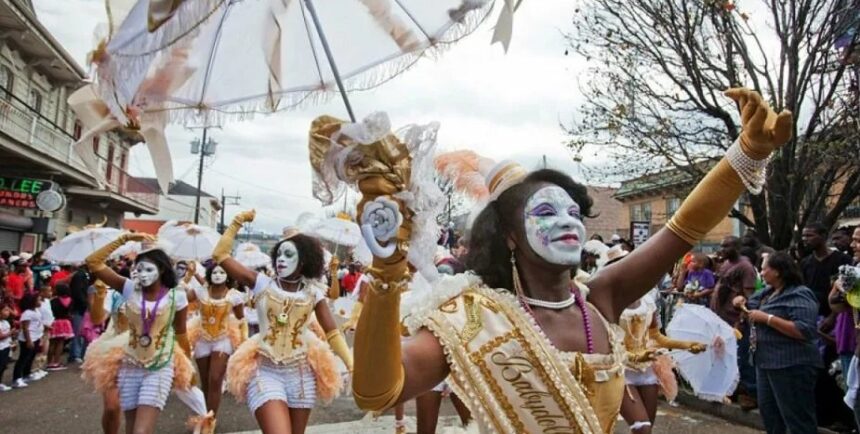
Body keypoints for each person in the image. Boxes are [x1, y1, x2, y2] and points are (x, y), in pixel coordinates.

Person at [328, 88, 791, 433]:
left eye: (573, 211)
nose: (567, 221)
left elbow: (682, 230)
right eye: (546, 213)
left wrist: (746, 153)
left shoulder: (601, 298)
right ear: (509, 236)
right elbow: (376, 391)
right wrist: (386, 276)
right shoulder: (471, 319)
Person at [216, 213, 353, 434]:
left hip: (301, 376)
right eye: (279, 254)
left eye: (288, 255)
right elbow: (220, 255)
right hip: (265, 372)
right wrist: (236, 223)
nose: (281, 259)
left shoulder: (313, 294)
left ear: (305, 261)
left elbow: (332, 333)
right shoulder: (261, 283)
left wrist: (350, 363)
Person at [84, 233, 197, 434]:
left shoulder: (177, 297)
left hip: (160, 366)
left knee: (141, 431)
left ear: (161, 269)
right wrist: (124, 239)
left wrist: (187, 369)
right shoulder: (129, 289)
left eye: (148, 269)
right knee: (130, 428)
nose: (142, 274)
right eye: (139, 268)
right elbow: (93, 262)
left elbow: (181, 334)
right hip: (130, 366)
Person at [733, 252, 820, 434]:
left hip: (790, 364)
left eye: (764, 269)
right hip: (765, 363)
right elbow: (751, 306)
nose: (761, 274)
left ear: (778, 271)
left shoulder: (799, 294)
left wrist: (768, 319)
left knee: (796, 418)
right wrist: (740, 302)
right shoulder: (767, 292)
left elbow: (805, 330)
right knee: (770, 415)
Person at [620, 291, 705, 433]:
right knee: (642, 427)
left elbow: (657, 336)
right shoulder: (612, 302)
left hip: (646, 370)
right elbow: (609, 342)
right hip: (622, 372)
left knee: (647, 428)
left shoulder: (648, 302)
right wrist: (635, 357)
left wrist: (687, 345)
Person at [186, 262, 245, 418]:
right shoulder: (200, 292)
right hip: (202, 339)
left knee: (215, 379)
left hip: (222, 339)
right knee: (205, 381)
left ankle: (210, 420)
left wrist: (243, 339)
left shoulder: (234, 295)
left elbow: (241, 317)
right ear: (209, 275)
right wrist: (188, 275)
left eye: (222, 272)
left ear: (227, 277)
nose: (218, 275)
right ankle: (205, 413)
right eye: (214, 273)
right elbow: (178, 298)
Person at [711, 235, 759, 410]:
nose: (722, 249)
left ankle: (750, 393)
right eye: (722, 246)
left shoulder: (745, 267)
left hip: (737, 322)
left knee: (743, 356)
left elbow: (749, 297)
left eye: (727, 246)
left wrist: (741, 320)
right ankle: (732, 389)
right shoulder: (726, 264)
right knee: (726, 356)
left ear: (737, 247)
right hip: (721, 319)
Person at [800, 223, 852, 316]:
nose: (804, 239)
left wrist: (832, 317)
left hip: (838, 315)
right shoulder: (805, 262)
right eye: (803, 236)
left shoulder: (843, 260)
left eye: (809, 235)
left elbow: (847, 292)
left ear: (823, 236)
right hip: (813, 315)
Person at [12, 293, 43, 388]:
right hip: (28, 339)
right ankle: (16, 378)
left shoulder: (36, 311)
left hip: (36, 337)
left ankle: (26, 374)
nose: (40, 302)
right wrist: (28, 341)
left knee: (31, 357)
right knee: (23, 358)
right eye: (38, 300)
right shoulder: (27, 314)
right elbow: (25, 328)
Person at [47, 282, 74, 370]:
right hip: (65, 322)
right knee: (60, 343)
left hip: (54, 321)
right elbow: (71, 312)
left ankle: (49, 362)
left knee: (52, 343)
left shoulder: (53, 300)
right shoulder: (70, 300)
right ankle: (56, 362)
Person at [69, 265, 91, 364]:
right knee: (78, 331)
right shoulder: (79, 276)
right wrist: (85, 303)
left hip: (84, 307)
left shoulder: (87, 275)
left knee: (84, 332)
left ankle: (81, 353)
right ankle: (75, 354)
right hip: (79, 308)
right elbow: (77, 292)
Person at [0, 304, 15, 391]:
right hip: (1, 347)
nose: (8, 312)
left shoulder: (6, 322)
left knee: (3, 366)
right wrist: (11, 333)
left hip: (6, 346)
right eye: (5, 310)